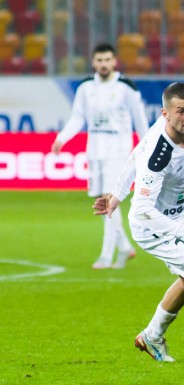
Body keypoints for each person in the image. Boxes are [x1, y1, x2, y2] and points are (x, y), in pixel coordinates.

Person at [92, 82, 184, 368]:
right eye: (181, 111)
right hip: (155, 225)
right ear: (167, 113)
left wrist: (116, 194)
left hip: (176, 216)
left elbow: (134, 154)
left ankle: (152, 335)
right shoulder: (160, 154)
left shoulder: (166, 127)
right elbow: (142, 210)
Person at [52, 42, 149, 269]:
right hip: (95, 150)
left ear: (114, 61)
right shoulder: (86, 87)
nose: (104, 64)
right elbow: (78, 117)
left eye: (108, 60)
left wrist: (146, 148)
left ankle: (106, 256)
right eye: (100, 60)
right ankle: (124, 248)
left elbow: (140, 120)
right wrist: (62, 138)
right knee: (102, 199)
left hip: (119, 151)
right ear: (93, 62)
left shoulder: (126, 87)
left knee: (108, 200)